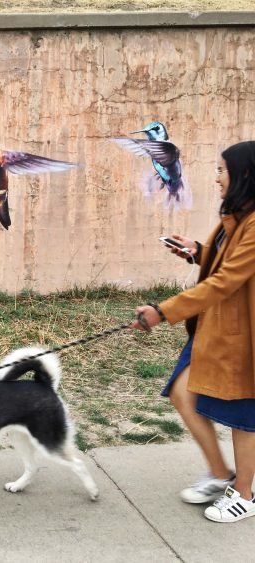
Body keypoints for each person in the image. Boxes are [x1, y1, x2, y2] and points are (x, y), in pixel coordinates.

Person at [132, 141, 255, 523]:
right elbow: (224, 264)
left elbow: (224, 282)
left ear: (244, 175)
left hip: (241, 335)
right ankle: (222, 475)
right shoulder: (238, 215)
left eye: (222, 170)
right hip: (215, 328)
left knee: (242, 416)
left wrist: (162, 311)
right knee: (184, 393)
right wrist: (197, 251)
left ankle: (245, 493)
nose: (217, 177)